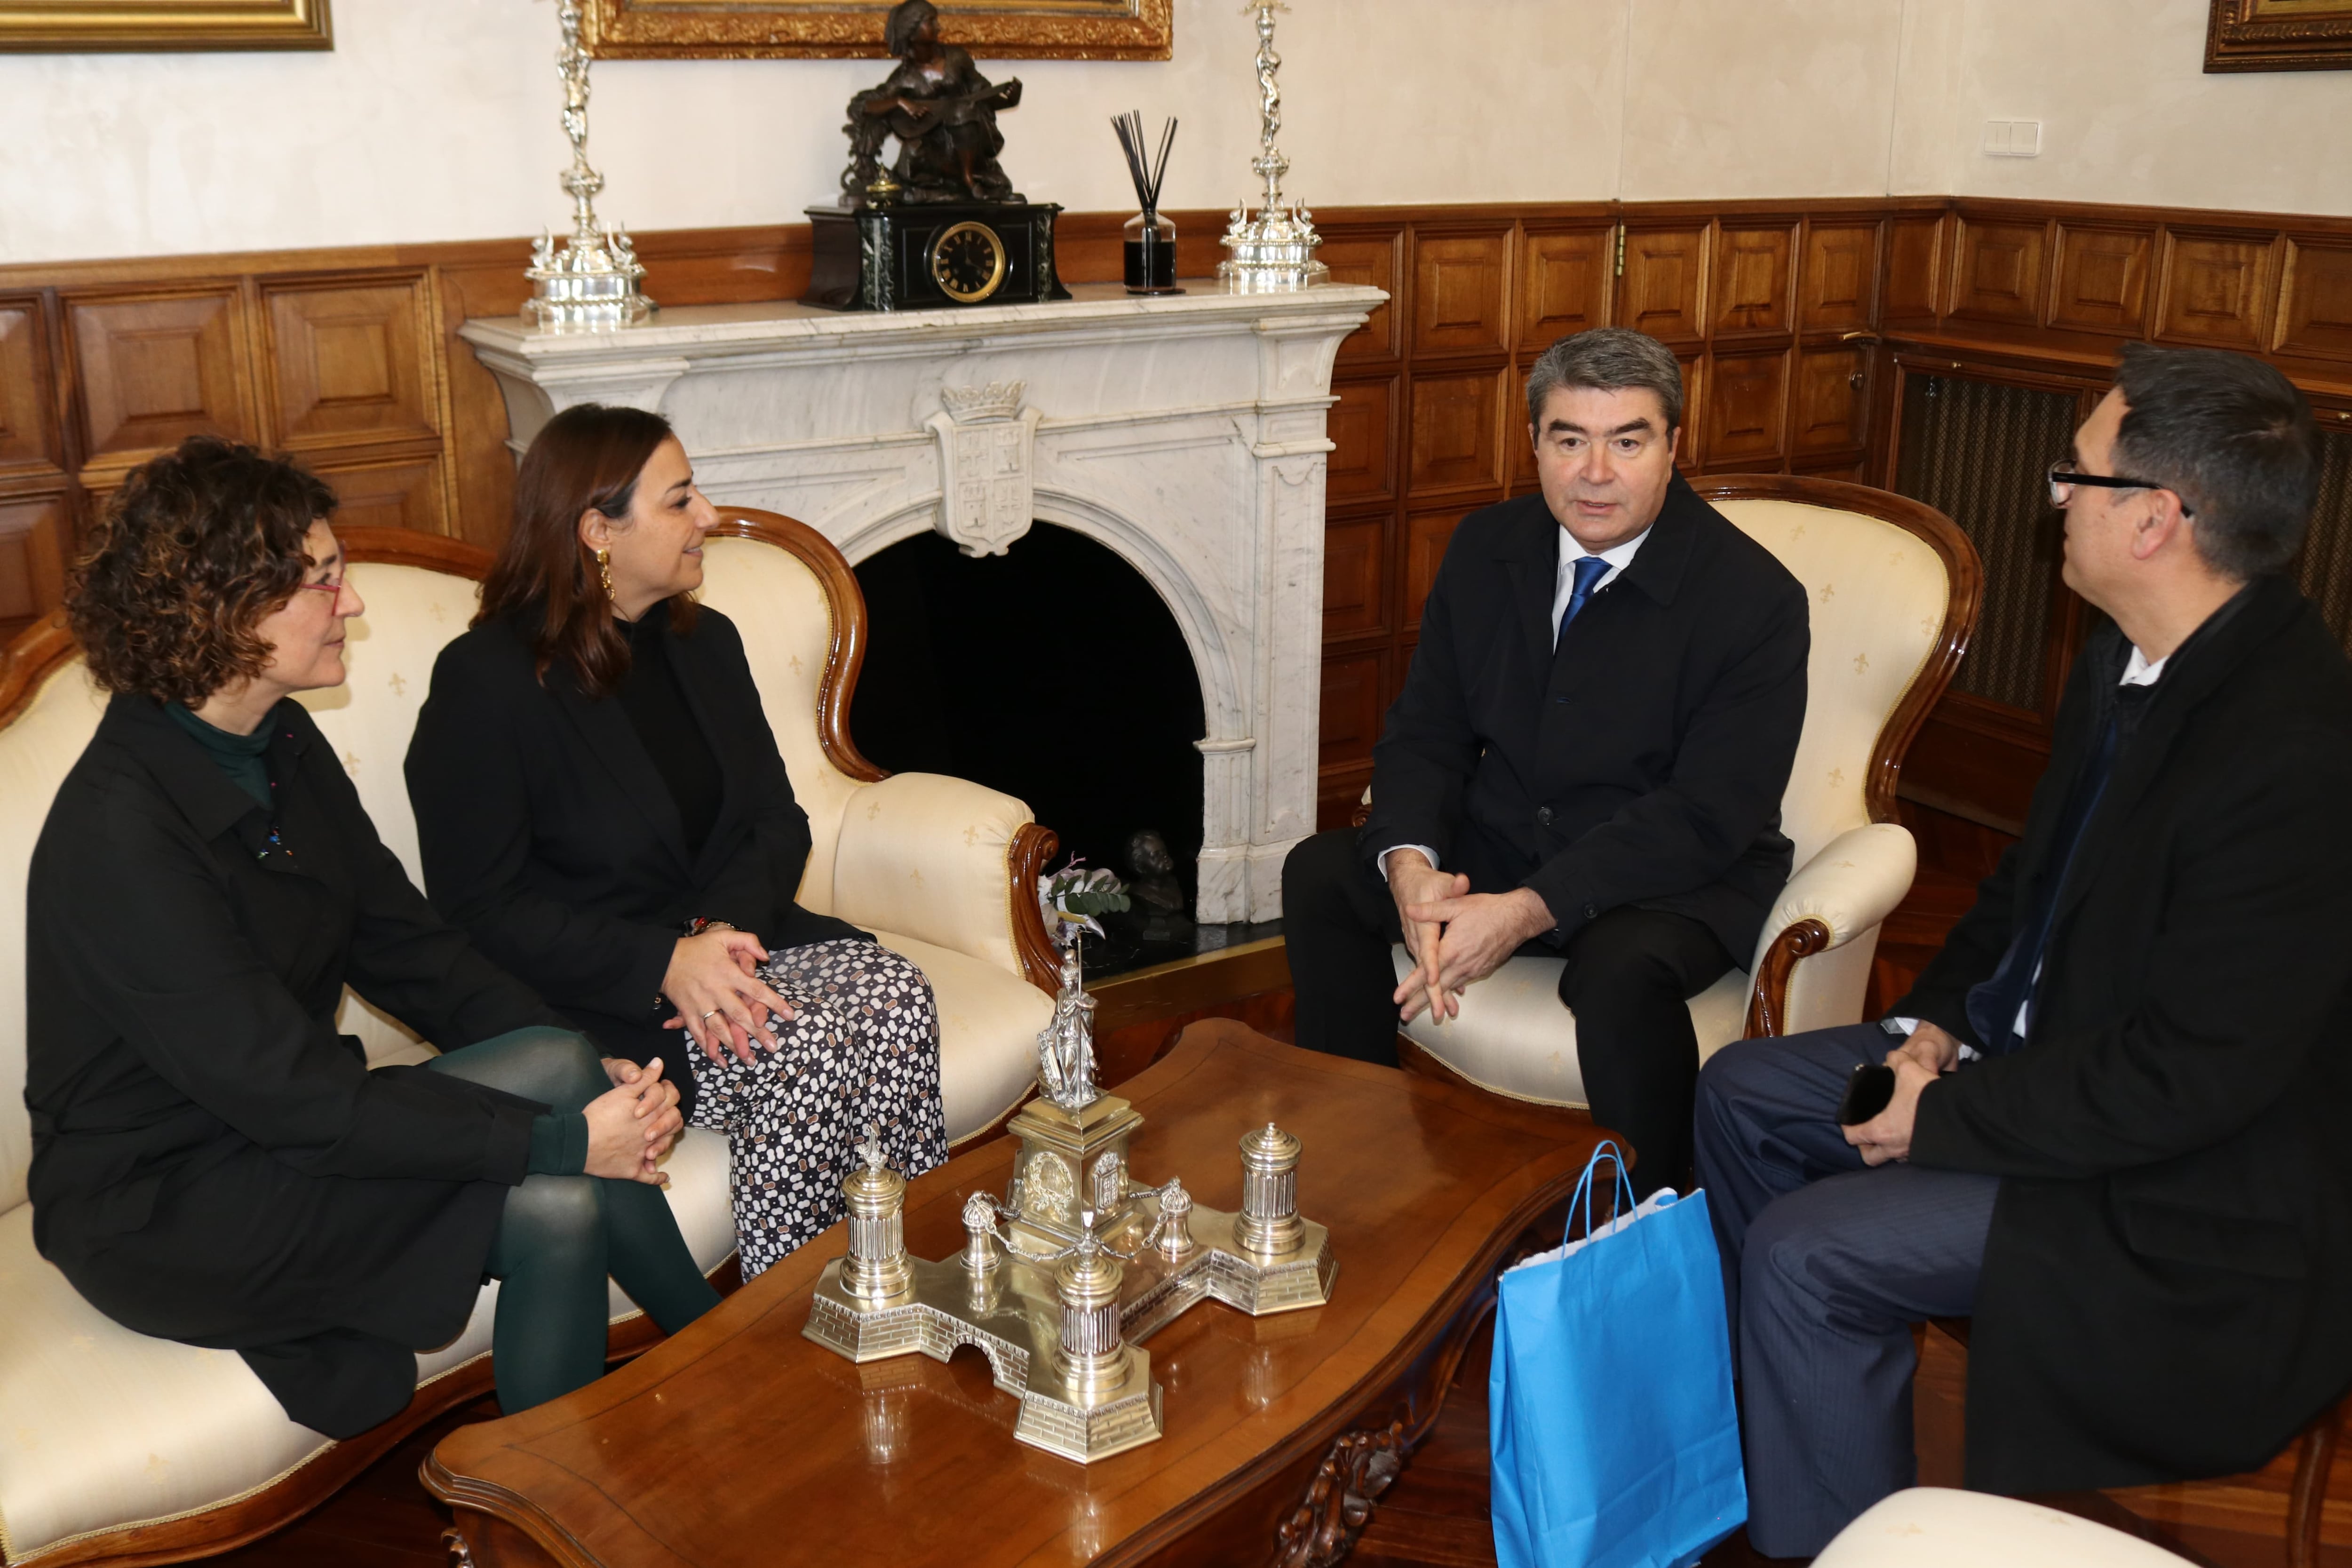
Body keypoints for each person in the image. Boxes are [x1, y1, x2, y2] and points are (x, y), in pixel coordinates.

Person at [1693, 343, 2352, 1556]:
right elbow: (2019, 893)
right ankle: (1808, 1434)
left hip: (2176, 1195)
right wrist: (1933, 1026)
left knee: (1805, 1249)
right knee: (1742, 1088)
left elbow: (2188, 1079)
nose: (2055, 494)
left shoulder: (2294, 757)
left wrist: (1937, 1118)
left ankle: (1829, 1535)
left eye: (2078, 474)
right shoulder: (2123, 657)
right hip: (2033, 1070)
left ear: (2155, 519)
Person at [24, 436, 720, 1441]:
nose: (351, 602)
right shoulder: (121, 835)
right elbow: (292, 1097)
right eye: (323, 580)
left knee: (562, 1052)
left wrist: (592, 1087)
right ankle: (559, 1495)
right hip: (169, 1200)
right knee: (558, 1203)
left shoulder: (278, 742)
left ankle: (724, 1359)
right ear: (225, 608)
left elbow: (412, 947)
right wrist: (569, 1138)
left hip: (285, 1127)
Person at [404, 403, 948, 1278]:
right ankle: (789, 1319)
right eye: (680, 499)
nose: (708, 519)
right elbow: (478, 910)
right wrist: (663, 960)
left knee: (895, 992)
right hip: (608, 994)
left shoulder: (708, 642)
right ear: (596, 531)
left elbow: (779, 821)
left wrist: (710, 943)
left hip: (736, 945)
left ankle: (901, 1274)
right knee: (797, 1048)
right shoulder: (488, 683)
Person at [1282, 327, 1809, 1195]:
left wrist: (1528, 910)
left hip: (1670, 873)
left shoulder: (1754, 600)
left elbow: (1711, 810)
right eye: (1570, 439)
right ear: (1534, 445)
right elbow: (1428, 730)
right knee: (1323, 874)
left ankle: (1649, 1216)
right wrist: (1410, 865)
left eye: (1627, 440)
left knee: (1619, 972)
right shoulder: (1487, 549)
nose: (1595, 472)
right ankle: (1358, 1159)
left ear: (1673, 448)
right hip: (1514, 835)